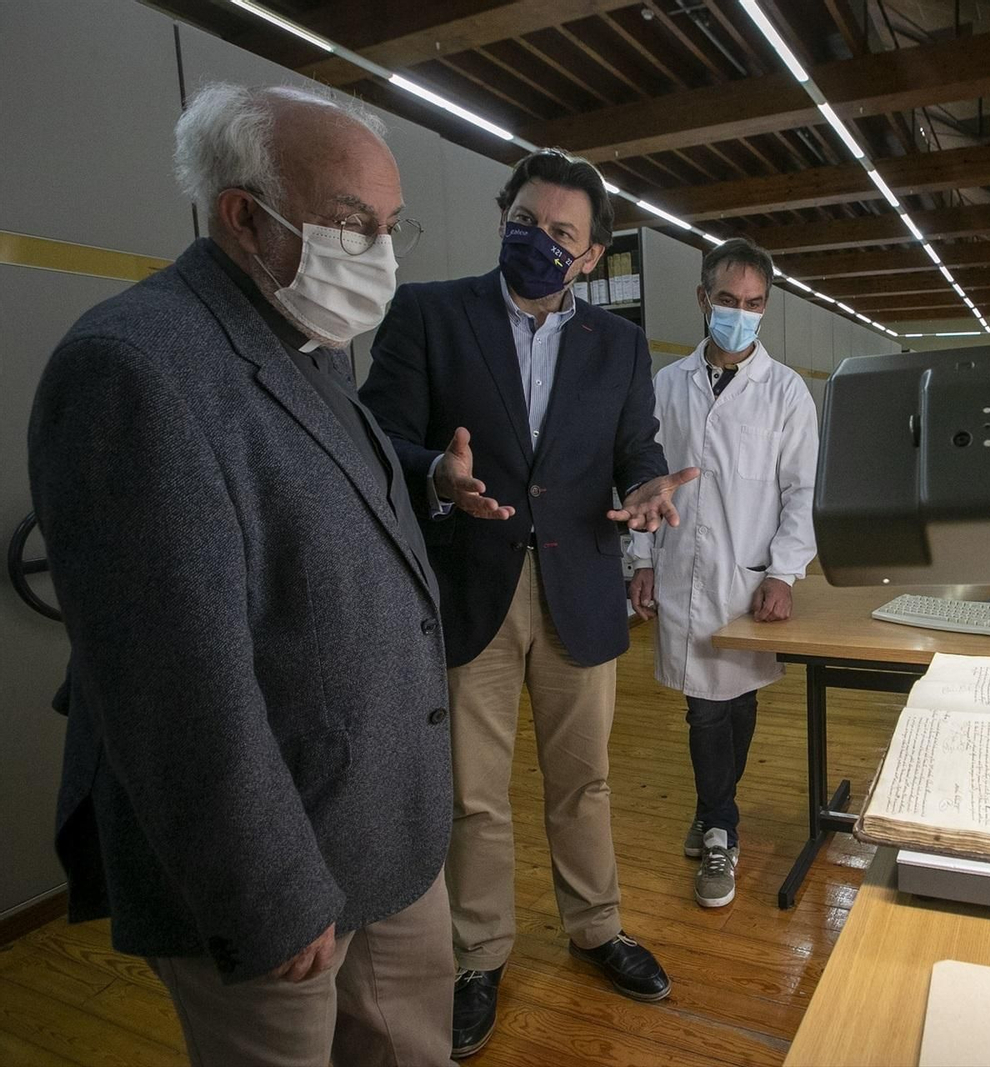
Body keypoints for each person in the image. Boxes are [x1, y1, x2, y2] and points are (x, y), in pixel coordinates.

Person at [27, 83, 453, 1066]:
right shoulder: (135, 366)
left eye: (391, 227)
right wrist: (267, 892)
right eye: (352, 223)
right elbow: (171, 680)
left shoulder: (309, 343)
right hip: (281, 870)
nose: (379, 257)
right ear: (244, 214)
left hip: (382, 827)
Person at [360, 147, 695, 1058]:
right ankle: (479, 956)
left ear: (590, 257)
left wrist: (649, 488)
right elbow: (375, 433)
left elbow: (635, 446)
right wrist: (437, 472)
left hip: (579, 586)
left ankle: (596, 927)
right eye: (525, 220)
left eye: (561, 234)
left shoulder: (618, 345)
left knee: (582, 780)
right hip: (473, 586)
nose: (537, 241)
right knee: (474, 794)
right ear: (501, 214)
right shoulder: (429, 313)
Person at [627, 238, 819, 909]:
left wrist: (786, 573)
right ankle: (719, 826)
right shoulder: (665, 385)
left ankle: (717, 802)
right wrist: (641, 560)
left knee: (738, 701)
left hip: (750, 576)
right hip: (683, 570)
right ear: (704, 298)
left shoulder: (788, 393)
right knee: (704, 707)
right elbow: (648, 481)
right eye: (730, 301)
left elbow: (801, 493)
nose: (742, 313)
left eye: (755, 303)